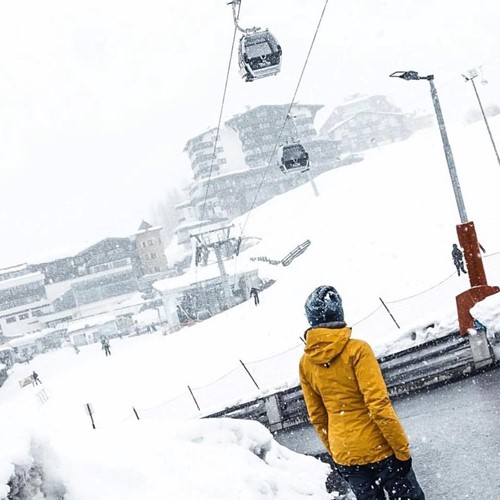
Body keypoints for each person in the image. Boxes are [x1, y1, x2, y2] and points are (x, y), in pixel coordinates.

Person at [299, 286, 425, 500]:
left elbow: (318, 418)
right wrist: (401, 452)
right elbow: (378, 405)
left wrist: (337, 453)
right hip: (380, 449)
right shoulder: (357, 350)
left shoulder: (305, 364)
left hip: (346, 455)